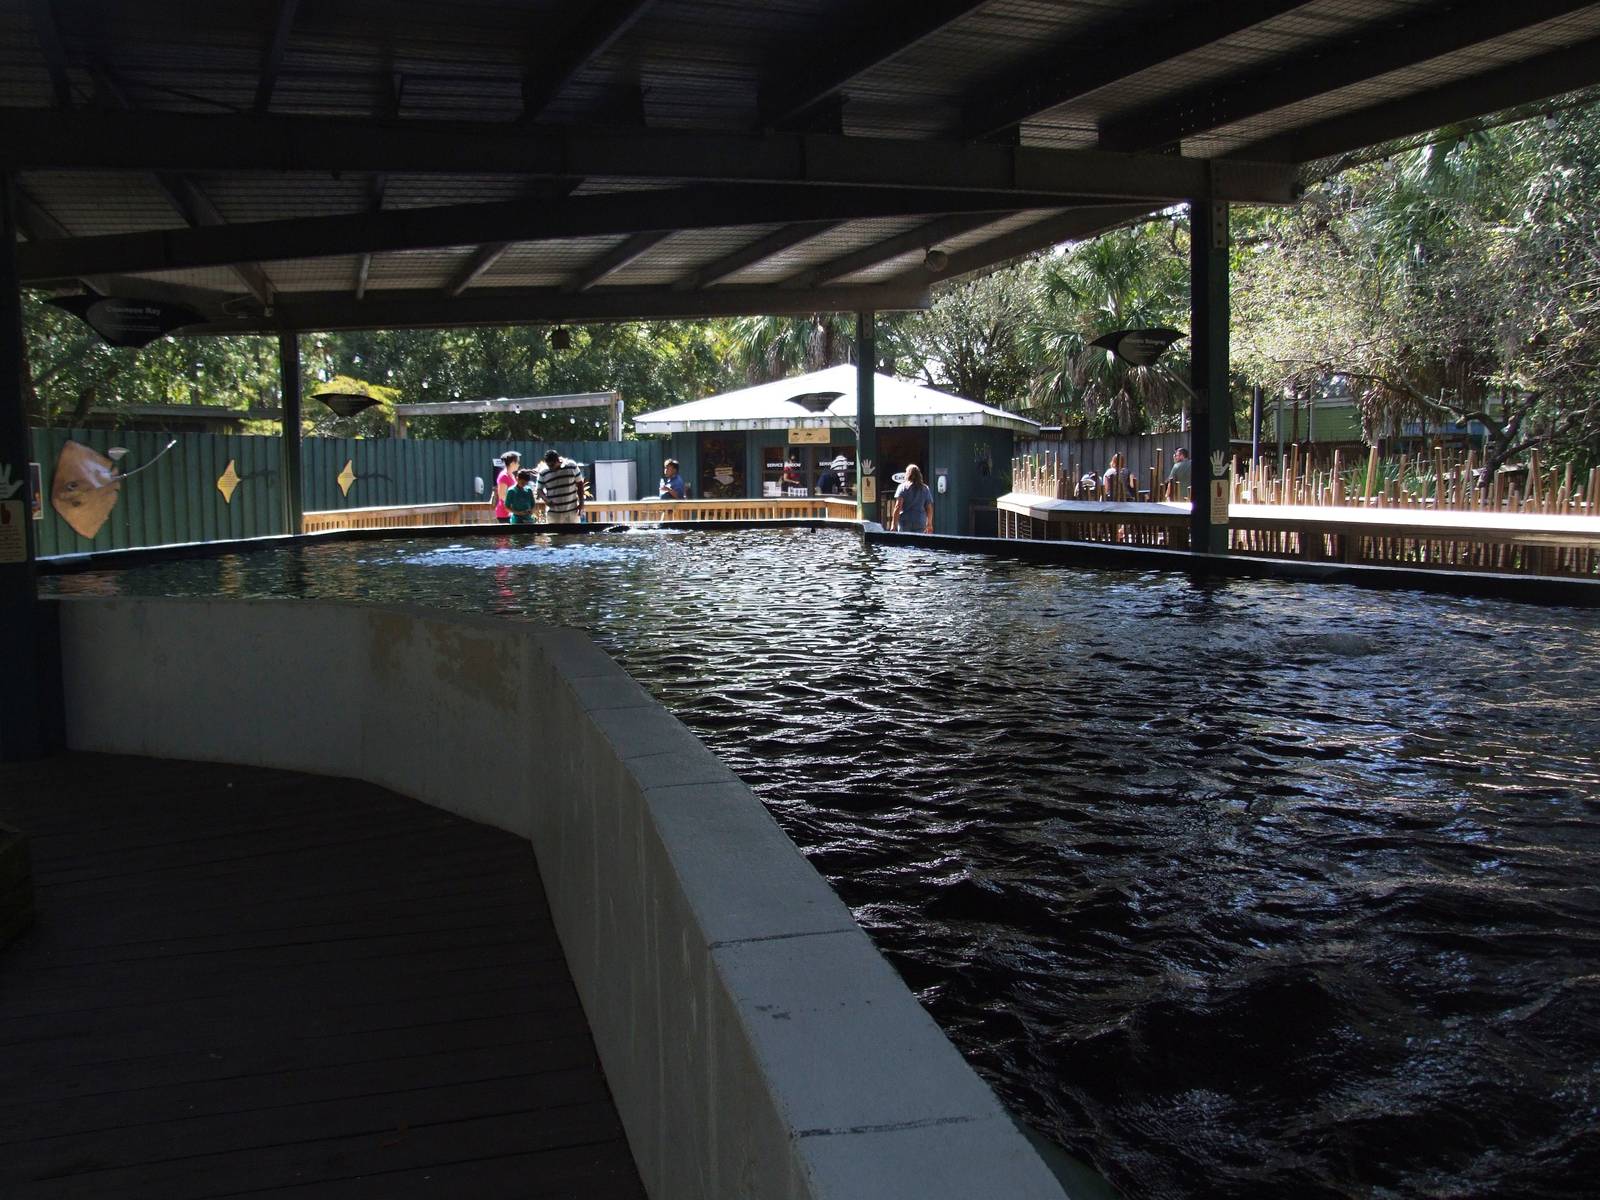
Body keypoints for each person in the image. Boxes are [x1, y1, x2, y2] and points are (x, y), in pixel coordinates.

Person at [537, 450, 586, 524]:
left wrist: (581, 503)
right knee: (553, 535)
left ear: (558, 460)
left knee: (574, 535)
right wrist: (546, 500)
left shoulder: (571, 466)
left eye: (552, 465)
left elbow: (580, 484)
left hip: (572, 512)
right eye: (548, 465)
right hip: (554, 514)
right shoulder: (543, 472)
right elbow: (539, 490)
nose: (550, 468)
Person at [889, 463, 934, 533]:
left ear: (907, 474)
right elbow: (929, 508)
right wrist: (929, 524)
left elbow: (898, 506)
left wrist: (893, 524)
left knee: (905, 542)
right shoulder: (925, 488)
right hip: (920, 521)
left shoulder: (902, 487)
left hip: (905, 521)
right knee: (919, 542)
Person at [492, 451, 520, 522]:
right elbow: (502, 496)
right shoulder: (503, 476)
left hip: (512, 511)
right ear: (512, 463)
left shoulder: (512, 475)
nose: (518, 465)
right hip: (504, 513)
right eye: (517, 462)